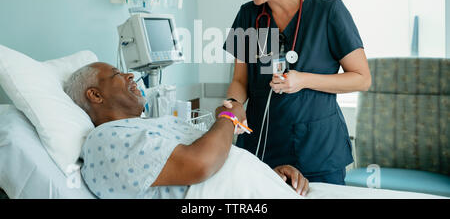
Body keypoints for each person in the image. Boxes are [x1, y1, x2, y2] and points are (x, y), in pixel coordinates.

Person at [217, 0, 371, 186]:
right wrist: (233, 104)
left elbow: (362, 79)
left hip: (318, 152)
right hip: (262, 149)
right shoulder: (248, 17)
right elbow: (240, 80)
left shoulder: (328, 11)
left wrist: (303, 80)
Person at [64, 62, 309, 198]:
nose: (130, 74)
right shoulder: (106, 139)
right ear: (95, 95)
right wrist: (228, 117)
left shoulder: (145, 125)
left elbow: (212, 163)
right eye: (117, 74)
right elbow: (199, 164)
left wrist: (265, 175)